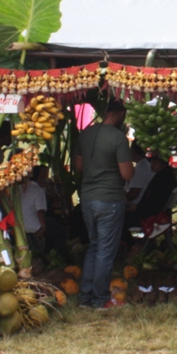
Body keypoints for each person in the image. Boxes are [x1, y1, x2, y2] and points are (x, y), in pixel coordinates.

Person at [73, 101, 133, 308]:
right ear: (120, 113)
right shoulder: (118, 137)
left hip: (87, 199)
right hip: (109, 199)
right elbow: (127, 173)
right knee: (105, 251)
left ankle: (85, 297)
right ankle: (99, 299)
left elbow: (78, 166)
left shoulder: (85, 134)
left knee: (94, 247)